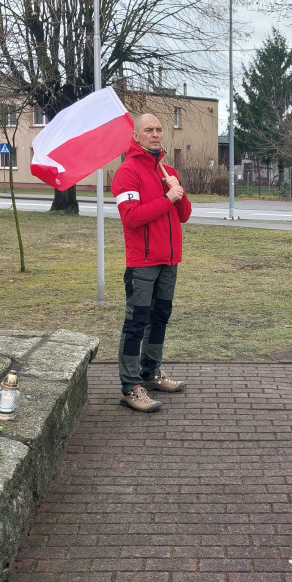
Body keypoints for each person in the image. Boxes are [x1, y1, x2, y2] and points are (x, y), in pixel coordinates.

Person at [111, 113, 192, 412]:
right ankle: (130, 386)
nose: (155, 134)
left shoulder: (167, 170)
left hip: (169, 260)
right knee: (136, 323)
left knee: (160, 318)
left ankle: (151, 373)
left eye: (159, 129)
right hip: (142, 263)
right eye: (148, 130)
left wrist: (176, 192)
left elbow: (184, 214)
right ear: (136, 136)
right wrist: (168, 197)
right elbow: (131, 218)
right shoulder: (127, 173)